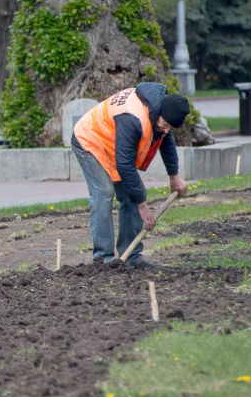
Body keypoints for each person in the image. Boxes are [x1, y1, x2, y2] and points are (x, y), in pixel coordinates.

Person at [71, 82, 190, 268]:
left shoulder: (159, 113)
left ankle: (131, 257)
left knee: (132, 193)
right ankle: (103, 260)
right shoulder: (133, 117)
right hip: (89, 140)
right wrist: (142, 206)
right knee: (103, 193)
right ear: (159, 113)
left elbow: (165, 141)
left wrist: (174, 176)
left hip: (113, 145)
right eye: (165, 125)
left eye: (170, 128)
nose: (166, 131)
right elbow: (125, 165)